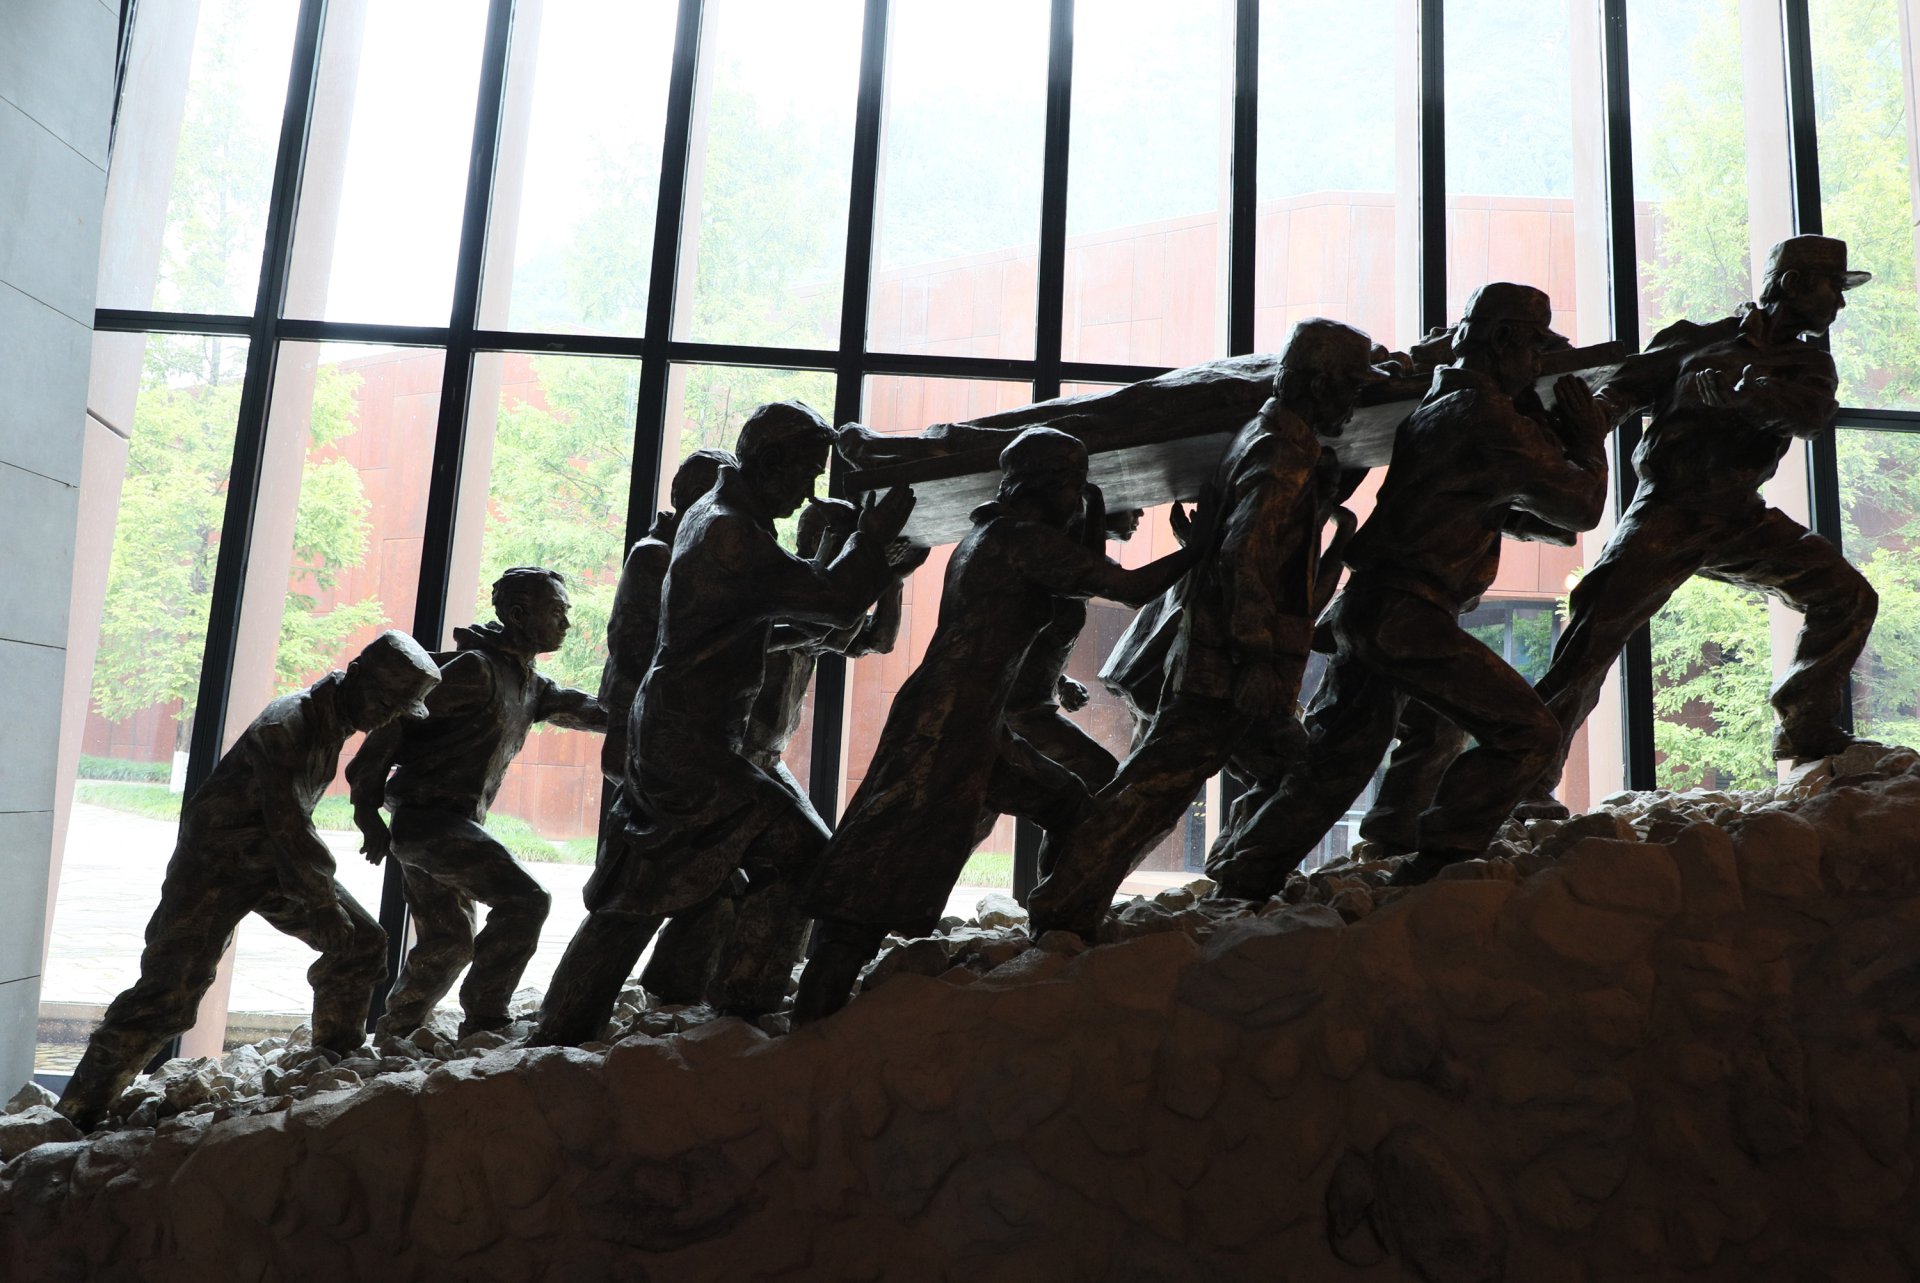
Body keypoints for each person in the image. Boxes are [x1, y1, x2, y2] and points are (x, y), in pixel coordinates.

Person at [793, 427, 1214, 1024]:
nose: (1079, 497)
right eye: (1075, 485)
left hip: (976, 716)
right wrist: (1204, 544)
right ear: (1048, 486)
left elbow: (1082, 575)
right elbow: (1127, 587)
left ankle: (1057, 929)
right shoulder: (1017, 539)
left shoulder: (993, 534)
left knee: (1067, 802)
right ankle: (813, 1018)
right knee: (882, 859)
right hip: (948, 719)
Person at [532, 402, 919, 1045]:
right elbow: (830, 599)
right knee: (795, 851)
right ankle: (743, 1003)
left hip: (685, 732)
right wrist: (872, 542)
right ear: (770, 462)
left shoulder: (717, 514)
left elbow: (762, 622)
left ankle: (572, 1022)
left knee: (648, 879)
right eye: (805, 473)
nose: (808, 492)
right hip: (688, 739)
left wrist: (871, 569)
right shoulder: (730, 530)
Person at [1205, 283, 1609, 895]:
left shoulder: (1443, 402)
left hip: (1379, 607)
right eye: (1535, 348)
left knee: (1347, 756)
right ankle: (1435, 864)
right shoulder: (1488, 417)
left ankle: (1255, 870)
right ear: (1503, 340)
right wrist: (1588, 439)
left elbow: (1507, 509)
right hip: (1406, 613)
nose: (1537, 364)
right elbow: (1581, 507)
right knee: (1528, 733)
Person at [1025, 319, 1387, 940]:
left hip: (1231, 659)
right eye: (1350, 386)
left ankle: (1237, 876)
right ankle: (1063, 904)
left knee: (1287, 769)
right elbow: (1244, 558)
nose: (1355, 402)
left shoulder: (1279, 441)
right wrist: (1254, 660)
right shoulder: (1278, 453)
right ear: (1316, 383)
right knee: (1155, 790)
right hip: (1230, 668)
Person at [1517, 235, 1879, 816]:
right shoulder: (1692, 340)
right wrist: (1586, 424)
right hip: (1669, 510)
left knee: (1848, 596)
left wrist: (1750, 397)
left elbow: (1809, 417)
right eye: (1833, 287)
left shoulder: (1811, 364)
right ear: (1793, 284)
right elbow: (1620, 394)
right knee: (1592, 634)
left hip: (1739, 515)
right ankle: (1521, 780)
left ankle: (1806, 724)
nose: (1839, 301)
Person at [56, 632, 442, 1130]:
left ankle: (333, 1061)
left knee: (361, 943)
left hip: (271, 860)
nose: (387, 716)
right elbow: (289, 823)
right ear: (356, 674)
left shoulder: (335, 719)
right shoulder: (289, 724)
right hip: (214, 866)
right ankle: (76, 1113)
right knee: (169, 993)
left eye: (397, 709)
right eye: (385, 701)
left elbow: (289, 830)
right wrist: (321, 902)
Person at [641, 495, 912, 1012]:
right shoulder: (774, 591)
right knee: (720, 869)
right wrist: (867, 573)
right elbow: (826, 623)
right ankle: (697, 983)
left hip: (768, 757)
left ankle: (737, 979)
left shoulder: (814, 598)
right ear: (815, 540)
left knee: (796, 859)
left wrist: (891, 582)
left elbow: (873, 640)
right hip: (733, 754)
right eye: (840, 538)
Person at [348, 568, 606, 1040]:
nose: (566, 623)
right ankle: (486, 1016)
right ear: (518, 614)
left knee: (448, 941)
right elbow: (397, 719)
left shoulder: (531, 684)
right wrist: (366, 809)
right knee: (526, 901)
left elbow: (590, 710)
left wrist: (650, 707)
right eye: (557, 612)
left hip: (450, 825)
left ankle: (397, 1031)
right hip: (427, 822)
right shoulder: (475, 669)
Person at [598, 448, 736, 789]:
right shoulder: (656, 557)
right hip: (640, 723)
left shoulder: (688, 555)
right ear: (693, 497)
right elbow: (634, 649)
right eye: (723, 502)